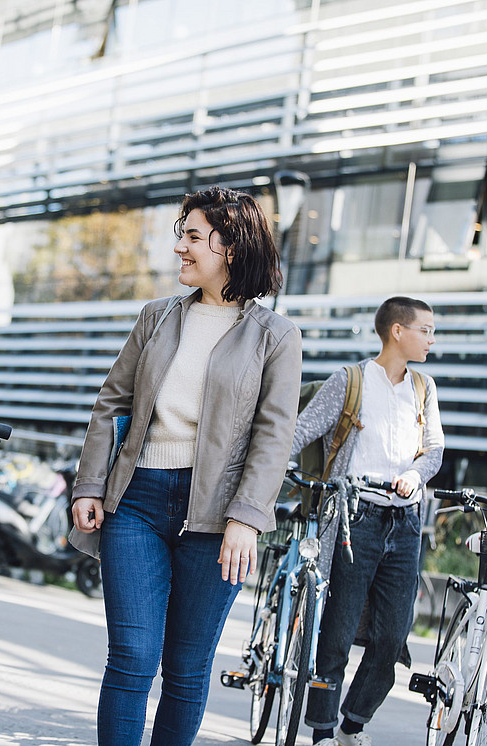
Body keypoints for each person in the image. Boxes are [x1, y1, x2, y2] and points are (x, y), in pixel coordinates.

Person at [70, 186, 301, 745]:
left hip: (218, 518)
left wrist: (246, 518)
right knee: (132, 654)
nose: (181, 248)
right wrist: (90, 484)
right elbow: (113, 401)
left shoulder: (275, 336)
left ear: (231, 247)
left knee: (187, 667)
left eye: (194, 237)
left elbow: (274, 436)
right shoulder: (157, 318)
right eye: (183, 235)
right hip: (137, 502)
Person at [292, 296, 444, 746]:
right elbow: (304, 428)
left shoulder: (423, 387)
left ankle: (352, 724)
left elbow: (433, 450)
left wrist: (414, 477)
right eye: (426, 329)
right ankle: (321, 732)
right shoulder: (351, 380)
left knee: (393, 639)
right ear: (398, 330)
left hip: (405, 522)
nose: (432, 338)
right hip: (353, 517)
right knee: (336, 633)